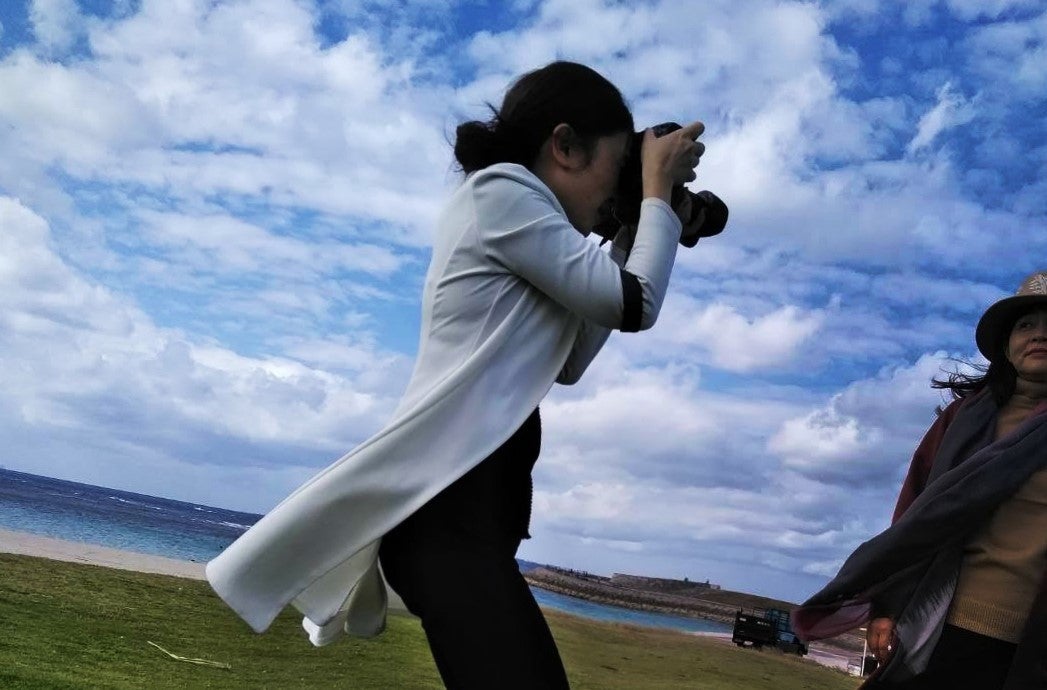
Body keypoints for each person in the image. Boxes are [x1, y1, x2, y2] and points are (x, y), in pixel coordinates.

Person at [206, 61, 707, 689]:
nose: (614, 194)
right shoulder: (501, 192)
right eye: (616, 170)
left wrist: (633, 229)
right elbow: (636, 304)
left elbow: (572, 360)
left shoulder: (529, 231)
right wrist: (657, 197)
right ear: (565, 146)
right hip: (446, 522)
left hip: (473, 526)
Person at [792, 270, 1047, 689]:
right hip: (937, 626)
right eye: (1026, 325)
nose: (1039, 334)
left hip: (1029, 648)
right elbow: (915, 515)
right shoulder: (962, 419)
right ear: (1007, 344)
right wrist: (888, 605)